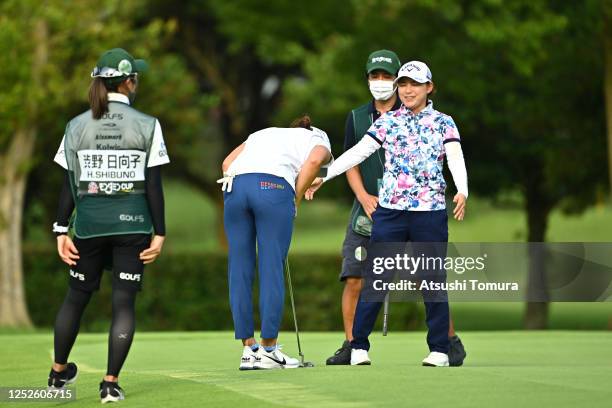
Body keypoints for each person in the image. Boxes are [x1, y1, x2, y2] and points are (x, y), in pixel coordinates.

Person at [308, 61, 467, 367]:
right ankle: (358, 347)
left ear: (429, 88)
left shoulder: (444, 122)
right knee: (377, 278)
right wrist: (325, 176)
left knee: (432, 279)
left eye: (415, 85)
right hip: (391, 212)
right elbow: (357, 153)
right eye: (404, 85)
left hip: (429, 212)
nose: (408, 90)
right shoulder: (387, 122)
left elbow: (456, 158)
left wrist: (463, 190)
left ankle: (439, 349)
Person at [48, 48, 169, 403]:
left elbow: (69, 182)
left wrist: (59, 229)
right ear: (129, 81)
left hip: (88, 226)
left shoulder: (76, 125)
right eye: (137, 78)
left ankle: (58, 375)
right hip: (133, 227)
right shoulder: (148, 125)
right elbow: (154, 184)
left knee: (76, 298)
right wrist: (160, 232)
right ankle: (110, 384)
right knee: (123, 305)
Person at [218, 116, 332, 370]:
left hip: (235, 188)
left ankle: (249, 349)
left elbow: (227, 163)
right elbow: (314, 161)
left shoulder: (263, 133)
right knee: (271, 266)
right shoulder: (318, 135)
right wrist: (296, 197)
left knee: (239, 269)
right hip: (272, 188)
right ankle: (269, 349)